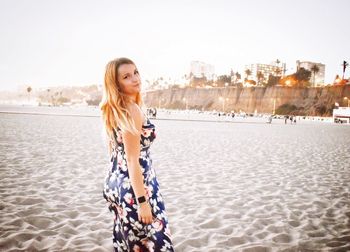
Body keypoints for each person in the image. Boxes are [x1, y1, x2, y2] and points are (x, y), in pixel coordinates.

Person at [100, 57, 174, 252]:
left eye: (136, 72)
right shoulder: (130, 110)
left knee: (129, 243)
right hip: (135, 189)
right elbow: (132, 159)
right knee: (152, 244)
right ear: (116, 85)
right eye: (126, 76)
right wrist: (142, 203)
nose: (135, 79)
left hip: (118, 184)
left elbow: (116, 152)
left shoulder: (116, 110)